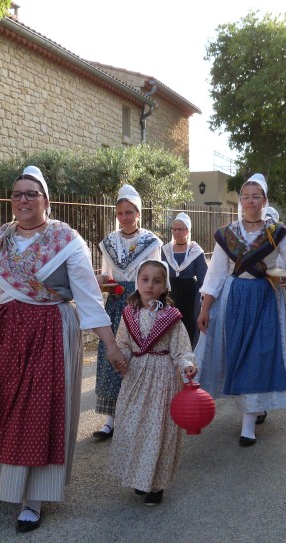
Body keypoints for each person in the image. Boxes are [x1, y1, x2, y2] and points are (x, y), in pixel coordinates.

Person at [0, 166, 128, 533]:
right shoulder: (1, 237)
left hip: (48, 333)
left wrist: (110, 344)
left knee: (38, 411)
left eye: (31, 194)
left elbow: (89, 298)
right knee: (0, 404)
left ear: (46, 200)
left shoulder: (66, 240)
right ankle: (4, 476)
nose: (23, 200)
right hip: (3, 333)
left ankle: (34, 497)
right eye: (17, 194)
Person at [195, 173, 286, 447]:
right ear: (240, 200)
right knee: (238, 355)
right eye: (246, 196)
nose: (250, 201)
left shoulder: (277, 232)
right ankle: (252, 410)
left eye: (255, 196)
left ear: (264, 200)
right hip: (235, 299)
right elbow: (216, 274)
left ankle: (248, 423)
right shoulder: (228, 234)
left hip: (266, 300)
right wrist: (205, 308)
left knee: (258, 355)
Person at [108, 260, 198, 506]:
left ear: (164, 286)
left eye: (156, 281)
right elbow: (123, 344)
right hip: (136, 377)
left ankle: (156, 484)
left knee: (159, 431)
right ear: (137, 282)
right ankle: (140, 475)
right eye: (145, 279)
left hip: (163, 379)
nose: (149, 285)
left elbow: (181, 349)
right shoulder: (129, 315)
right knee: (134, 426)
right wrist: (122, 359)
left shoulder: (172, 318)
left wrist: (187, 364)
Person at [94, 185, 162, 440]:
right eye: (121, 212)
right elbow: (107, 273)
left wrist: (152, 304)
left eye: (130, 212)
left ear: (139, 213)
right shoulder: (110, 242)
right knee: (113, 357)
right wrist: (102, 280)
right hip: (115, 306)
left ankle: (137, 417)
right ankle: (111, 420)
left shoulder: (150, 242)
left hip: (138, 303)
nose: (125, 217)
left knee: (138, 360)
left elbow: (156, 275)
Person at [161, 212, 208, 347]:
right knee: (169, 322)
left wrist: (201, 300)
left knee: (187, 322)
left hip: (189, 293)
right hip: (170, 291)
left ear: (188, 230)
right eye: (174, 229)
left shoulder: (196, 251)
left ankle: (187, 352)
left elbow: (202, 278)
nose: (177, 232)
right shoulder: (166, 250)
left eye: (180, 229)